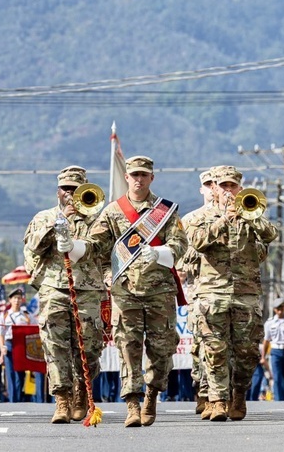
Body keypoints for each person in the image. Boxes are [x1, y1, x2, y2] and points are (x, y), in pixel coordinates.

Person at [87, 155, 188, 427]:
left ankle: (152, 396)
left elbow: (180, 245)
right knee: (127, 347)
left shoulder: (165, 211)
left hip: (160, 292)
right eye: (134, 175)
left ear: (151, 178)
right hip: (125, 291)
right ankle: (132, 403)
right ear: (127, 178)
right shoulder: (112, 212)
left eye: (144, 175)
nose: (139, 179)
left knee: (162, 347)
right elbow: (96, 249)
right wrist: (107, 274)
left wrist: (158, 252)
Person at [188, 165, 278, 421]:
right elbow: (196, 242)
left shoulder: (251, 213)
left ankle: (239, 393)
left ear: (240, 188)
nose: (228, 190)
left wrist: (249, 217)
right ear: (214, 188)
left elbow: (271, 235)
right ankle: (217, 400)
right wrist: (223, 221)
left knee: (247, 352)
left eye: (233, 186)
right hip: (212, 293)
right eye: (223, 186)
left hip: (246, 294)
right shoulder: (199, 218)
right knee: (215, 349)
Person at [23, 165, 109, 423]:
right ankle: (62, 400)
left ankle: (82, 391)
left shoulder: (97, 218)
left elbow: (103, 248)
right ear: (57, 191)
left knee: (90, 346)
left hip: (88, 290)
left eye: (74, 189)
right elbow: (34, 247)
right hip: (53, 287)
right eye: (65, 189)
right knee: (55, 346)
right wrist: (58, 221)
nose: (69, 194)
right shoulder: (43, 217)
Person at [178, 168, 216, 415]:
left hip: (232, 291)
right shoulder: (190, 220)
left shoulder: (242, 215)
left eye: (218, 184)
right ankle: (204, 391)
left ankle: (223, 394)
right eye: (209, 184)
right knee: (202, 346)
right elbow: (180, 262)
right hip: (200, 293)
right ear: (202, 189)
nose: (214, 188)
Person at [0, 288, 37, 403]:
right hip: (9, 344)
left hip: (22, 345)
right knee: (10, 373)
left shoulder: (26, 315)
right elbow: (1, 333)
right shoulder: (5, 315)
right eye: (15, 298)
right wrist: (2, 348)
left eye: (19, 298)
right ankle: (12, 399)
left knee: (20, 372)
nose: (17, 300)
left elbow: (34, 329)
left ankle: (19, 397)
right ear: (10, 300)